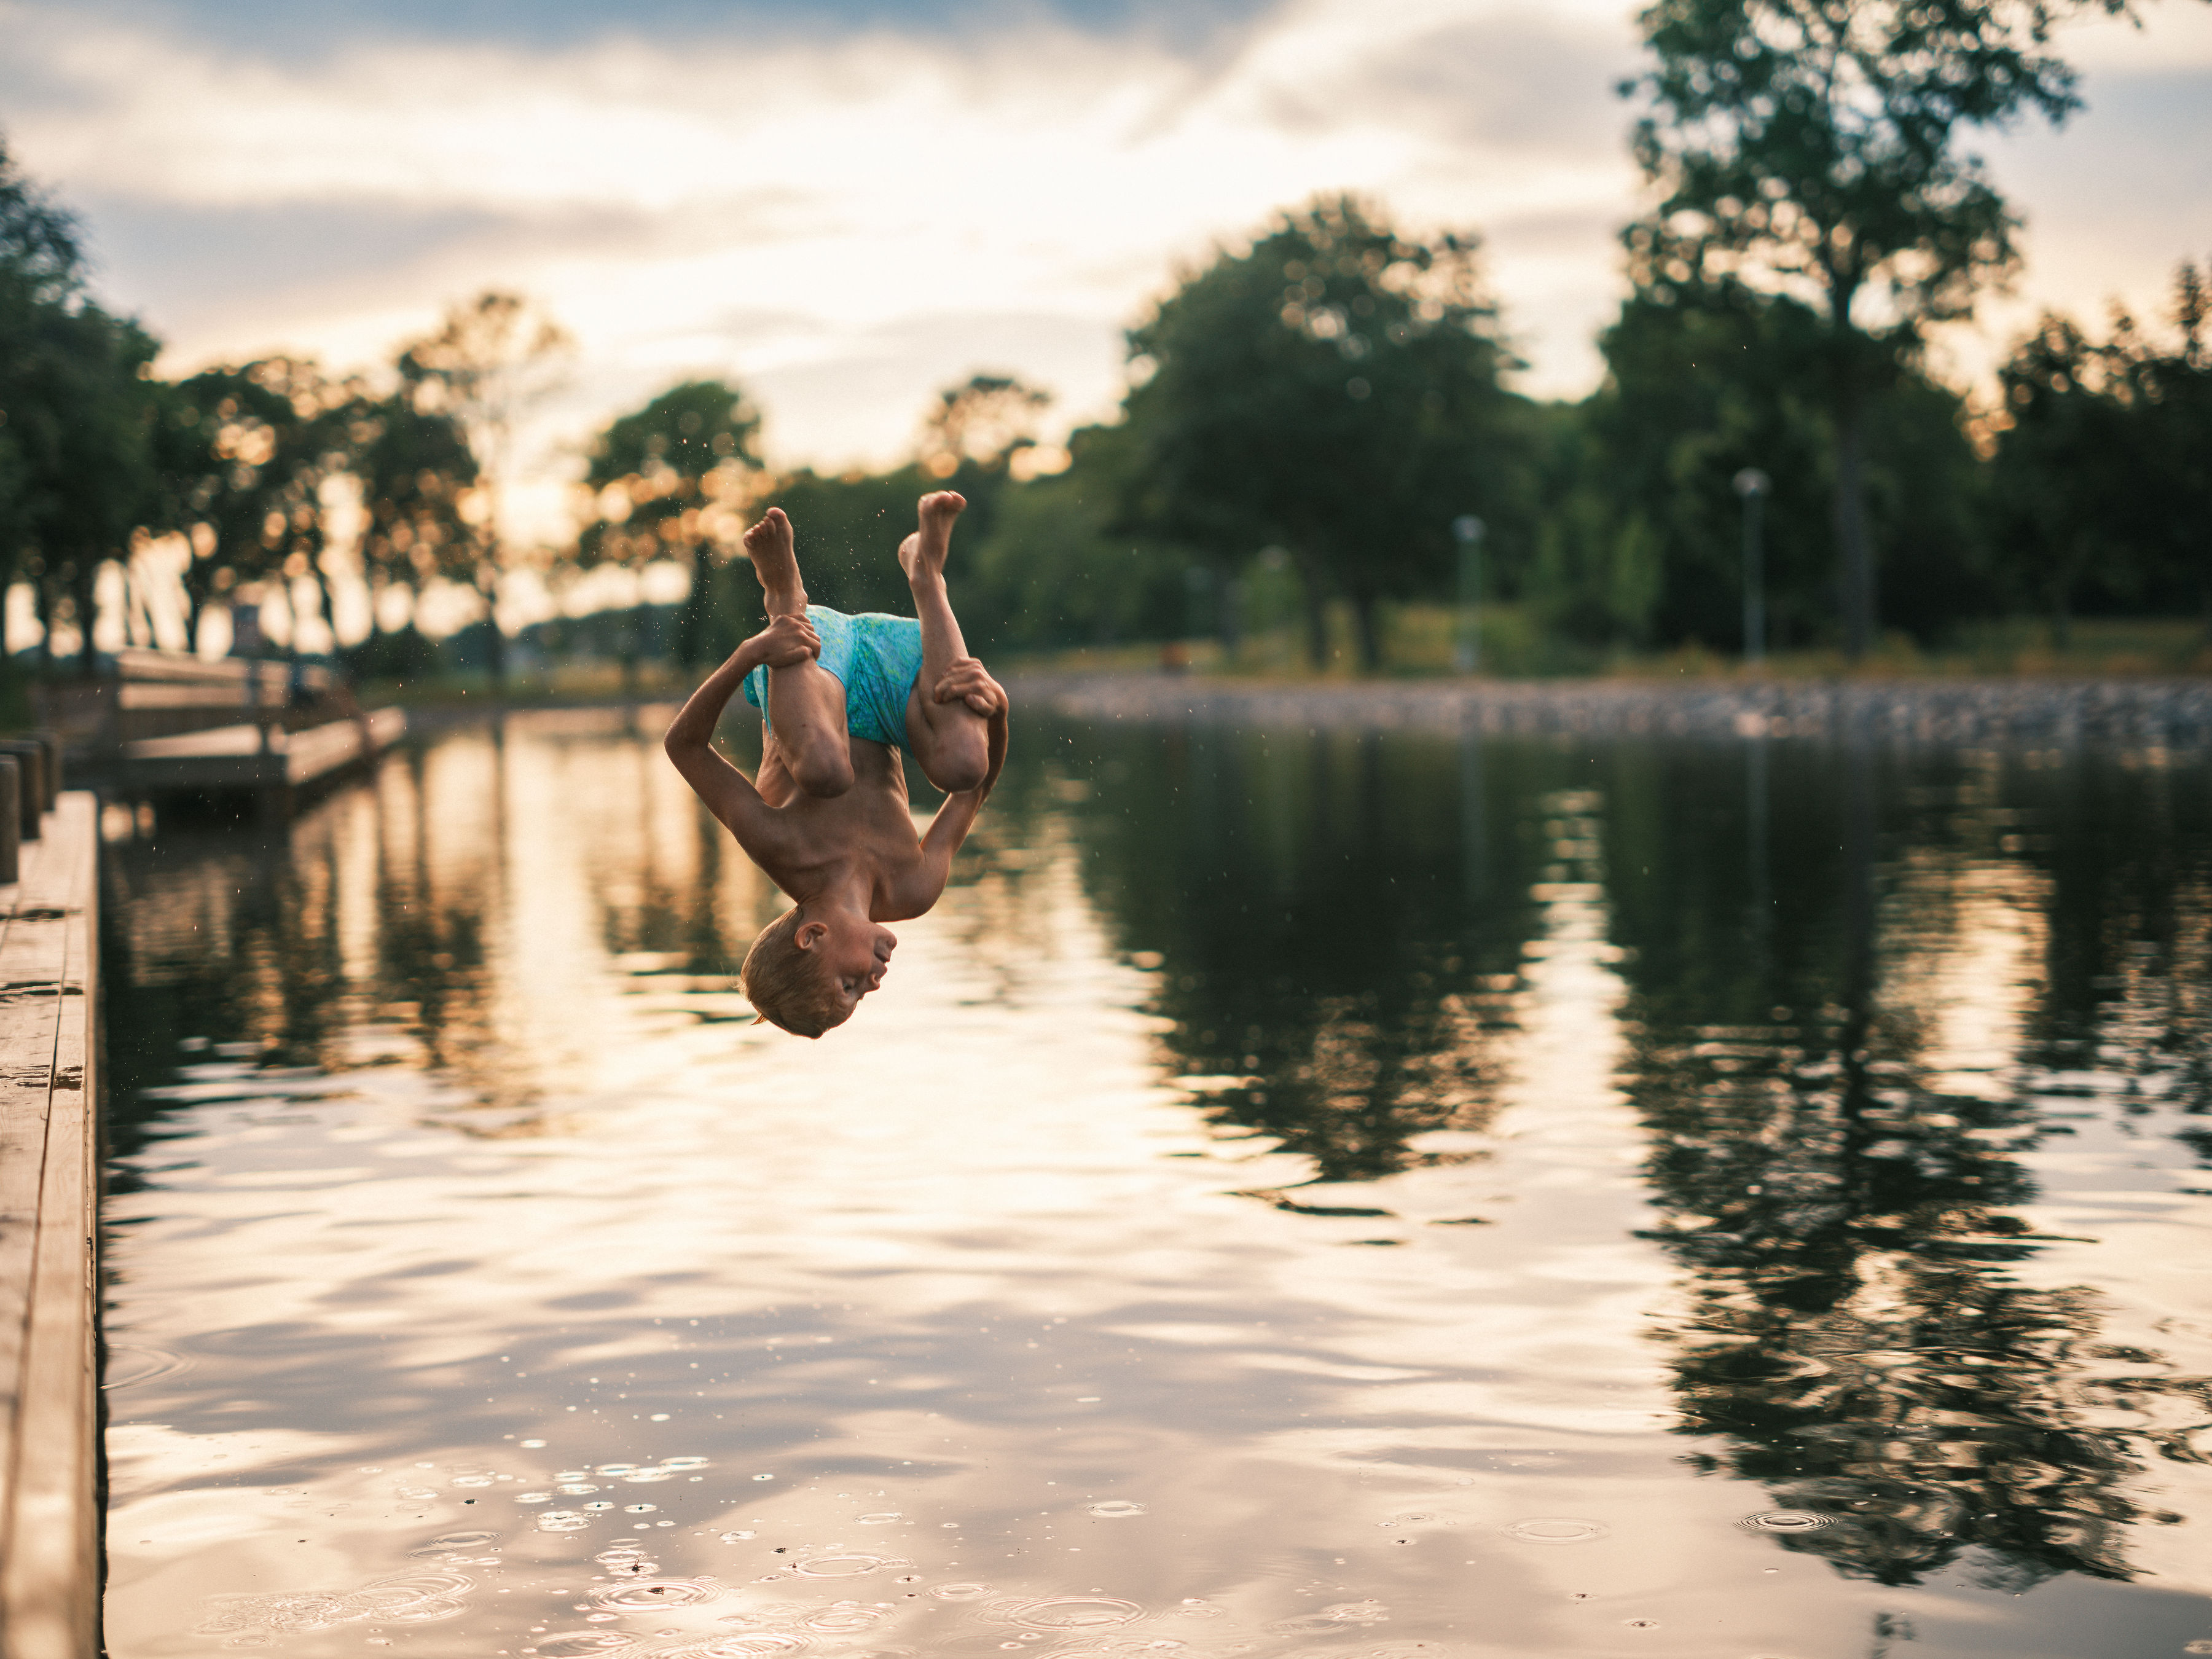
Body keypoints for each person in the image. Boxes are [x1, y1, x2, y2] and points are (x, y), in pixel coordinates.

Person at [663, 490, 1008, 1037]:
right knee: (965, 764)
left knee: (827, 771)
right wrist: (997, 707)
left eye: (848, 987)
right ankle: (927, 577)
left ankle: (783, 596)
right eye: (860, 996)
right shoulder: (913, 890)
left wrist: (753, 651)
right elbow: (976, 792)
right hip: (897, 680)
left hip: (813, 656)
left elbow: (684, 747)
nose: (872, 985)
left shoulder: (780, 846)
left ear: (812, 937)